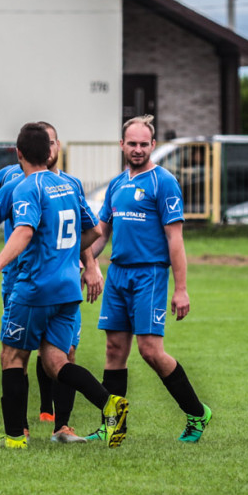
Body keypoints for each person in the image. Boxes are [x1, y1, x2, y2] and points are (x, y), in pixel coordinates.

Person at [0, 122, 127, 450]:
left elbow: (24, 231)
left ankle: (15, 438)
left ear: (19, 154)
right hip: (68, 289)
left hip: (34, 288)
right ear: (50, 152)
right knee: (57, 361)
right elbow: (95, 231)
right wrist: (68, 257)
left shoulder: (28, 187)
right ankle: (111, 405)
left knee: (12, 356)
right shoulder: (68, 185)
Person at [90, 115, 211, 443]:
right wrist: (84, 259)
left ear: (153, 145)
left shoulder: (164, 182)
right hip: (118, 274)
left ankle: (197, 413)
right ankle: (114, 426)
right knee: (114, 349)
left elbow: (175, 239)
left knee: (150, 351)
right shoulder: (116, 185)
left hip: (150, 275)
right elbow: (102, 232)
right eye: (132, 143)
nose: (138, 149)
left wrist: (181, 289)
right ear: (122, 145)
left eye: (144, 144)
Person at [0, 157, 57, 426]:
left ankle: (50, 412)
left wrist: (89, 262)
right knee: (16, 349)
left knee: (54, 351)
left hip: (43, 273)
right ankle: (20, 424)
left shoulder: (63, 183)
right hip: (16, 273)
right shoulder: (10, 177)